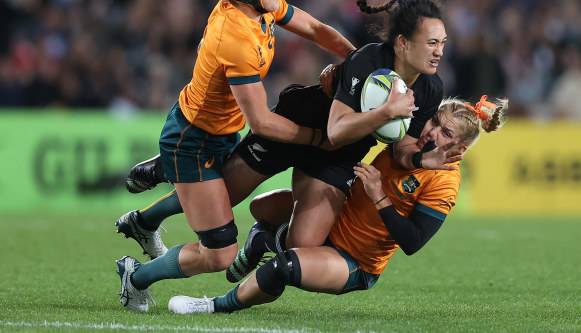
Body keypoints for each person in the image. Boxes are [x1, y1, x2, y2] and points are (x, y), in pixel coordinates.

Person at [118, 0, 460, 287]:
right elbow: (324, 129)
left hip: (333, 153)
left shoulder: (427, 88)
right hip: (295, 125)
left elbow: (314, 28)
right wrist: (375, 100)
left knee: (304, 244)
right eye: (432, 42)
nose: (440, 51)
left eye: (442, 42)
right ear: (403, 43)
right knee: (222, 196)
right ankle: (161, 182)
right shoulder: (238, 37)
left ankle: (262, 240)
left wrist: (420, 157)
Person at [115, 0, 355, 312]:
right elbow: (263, 122)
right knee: (220, 253)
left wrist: (359, 63)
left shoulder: (260, 5)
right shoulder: (236, 39)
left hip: (221, 131)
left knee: (220, 197)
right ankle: (135, 276)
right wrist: (318, 139)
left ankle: (150, 202)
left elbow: (317, 29)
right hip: (192, 140)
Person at [166, 95, 509, 314]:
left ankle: (213, 306)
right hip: (335, 219)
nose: (432, 132)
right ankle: (264, 240)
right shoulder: (407, 138)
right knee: (260, 208)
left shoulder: (445, 182)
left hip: (353, 260)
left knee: (283, 268)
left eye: (446, 134)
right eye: (435, 122)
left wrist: (379, 196)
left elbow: (413, 242)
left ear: (460, 150)